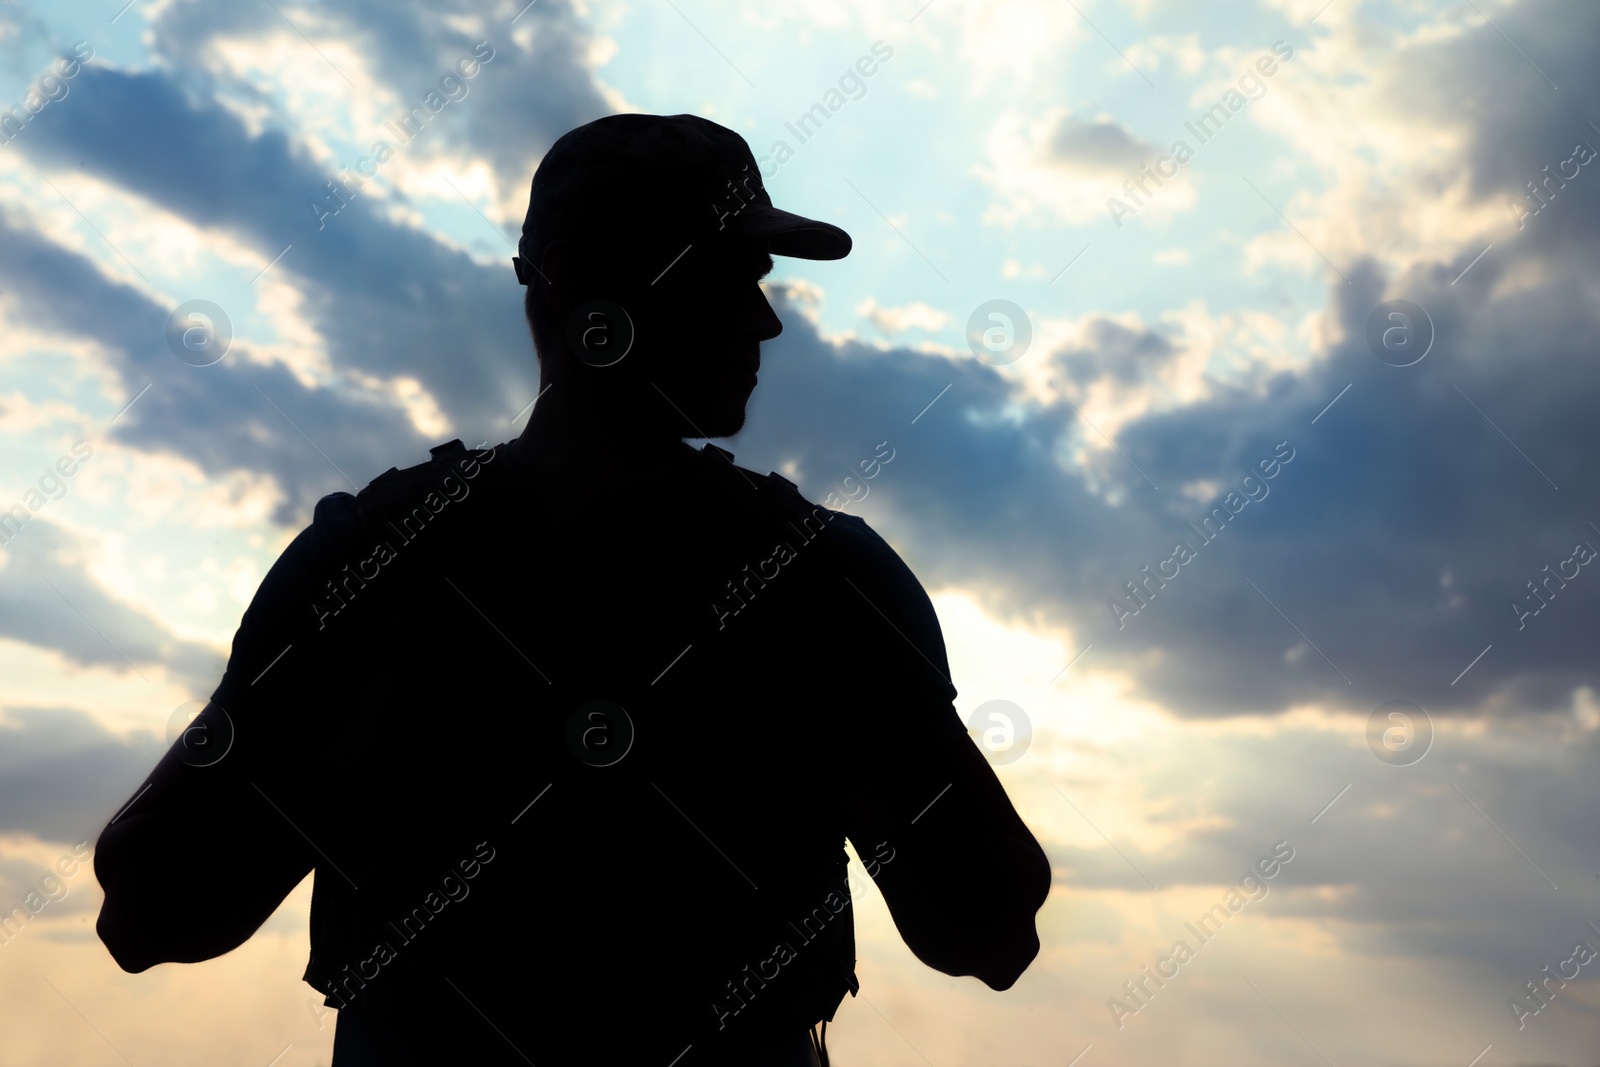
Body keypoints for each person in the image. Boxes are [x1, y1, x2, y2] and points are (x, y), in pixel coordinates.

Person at [93, 113, 1051, 1066]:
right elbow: (150, 907)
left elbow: (993, 930)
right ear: (578, 279)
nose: (766, 318)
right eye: (726, 274)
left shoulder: (376, 563)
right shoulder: (816, 575)